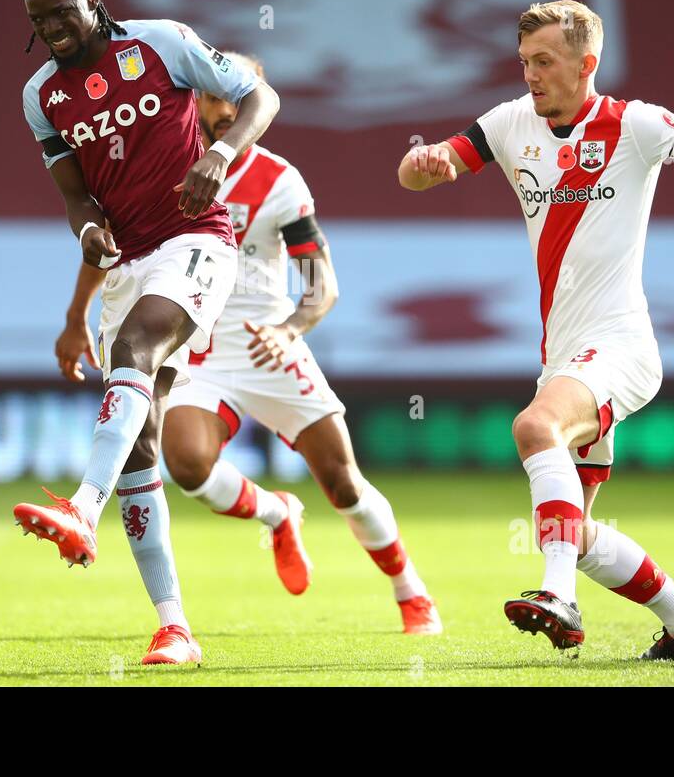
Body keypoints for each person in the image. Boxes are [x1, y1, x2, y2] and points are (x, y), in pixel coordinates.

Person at [397, 0, 674, 658]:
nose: (530, 74)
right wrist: (426, 163)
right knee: (570, 531)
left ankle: (558, 598)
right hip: (563, 354)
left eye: (545, 61)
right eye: (524, 61)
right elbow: (418, 171)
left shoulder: (634, 126)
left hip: (620, 346)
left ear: (586, 64)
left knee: (533, 428)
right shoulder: (506, 125)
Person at [56, 52, 441, 635]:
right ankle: (276, 512)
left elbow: (320, 283)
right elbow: (111, 245)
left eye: (236, 98)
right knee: (185, 464)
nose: (224, 109)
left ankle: (410, 591)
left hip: (265, 343)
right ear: (195, 99)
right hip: (195, 345)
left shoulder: (279, 181)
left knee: (341, 481)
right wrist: (75, 313)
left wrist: (290, 329)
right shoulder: (159, 165)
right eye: (212, 97)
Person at [11, 0, 280, 665]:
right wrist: (89, 227)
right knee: (140, 450)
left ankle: (81, 508)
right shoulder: (42, 97)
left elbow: (263, 96)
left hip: (198, 241)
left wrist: (219, 155)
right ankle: (175, 628)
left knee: (136, 349)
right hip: (128, 263)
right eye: (40, 19)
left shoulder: (161, 43)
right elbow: (74, 197)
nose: (54, 28)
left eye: (63, 11)